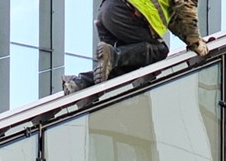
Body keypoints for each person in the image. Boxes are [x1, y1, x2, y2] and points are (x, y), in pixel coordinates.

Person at [62, 0, 207, 94]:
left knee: (127, 63)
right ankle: (114, 56)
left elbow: (176, 20)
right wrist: (195, 43)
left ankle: (79, 82)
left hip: (107, 13)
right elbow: (185, 8)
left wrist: (191, 40)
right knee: (159, 51)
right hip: (127, 13)